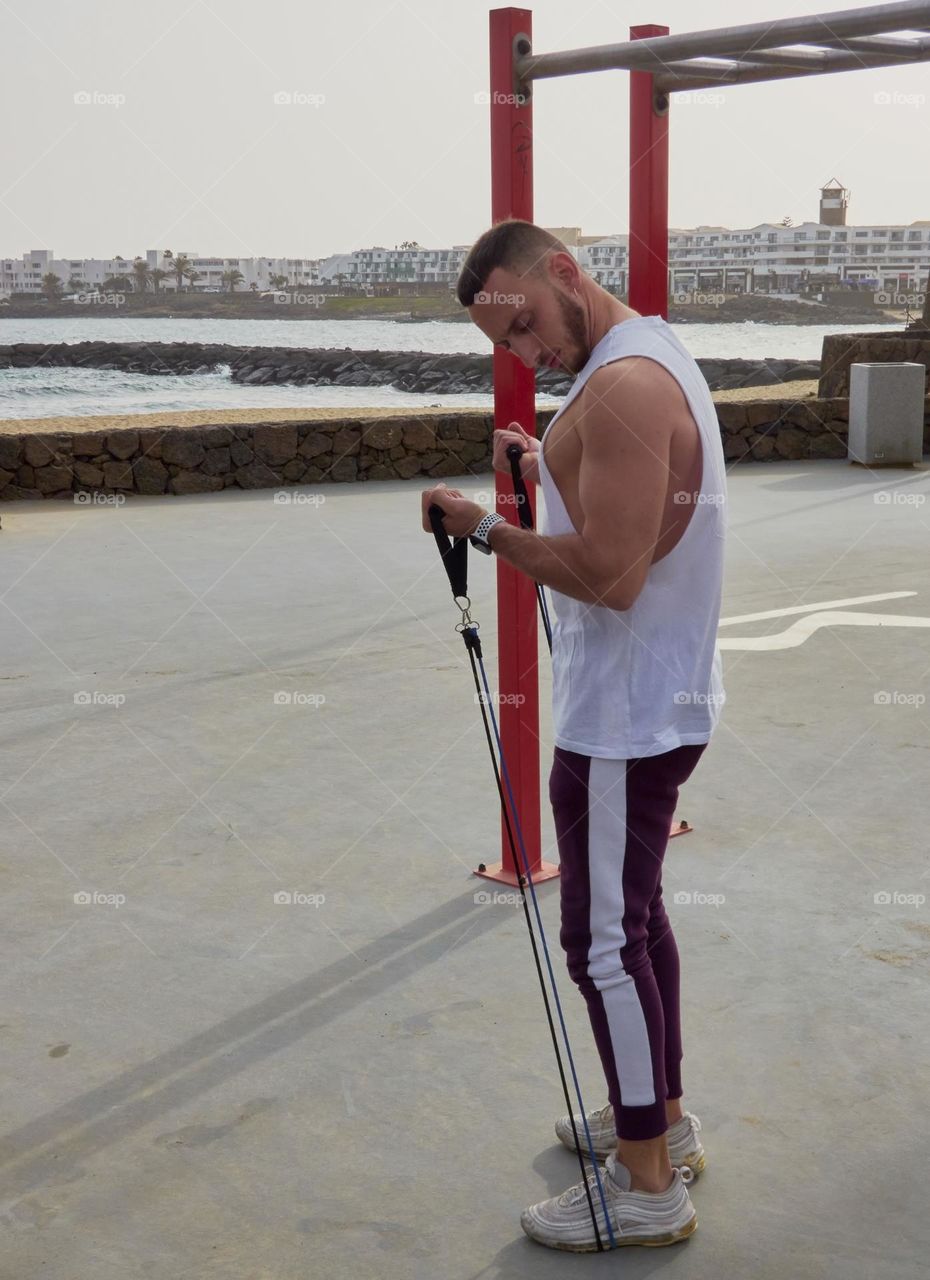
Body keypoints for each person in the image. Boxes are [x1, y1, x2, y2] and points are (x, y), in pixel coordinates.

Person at [420, 219, 726, 1253]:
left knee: (600, 941)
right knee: (636, 921)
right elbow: (623, 506)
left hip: (624, 722)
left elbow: (610, 573)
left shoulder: (627, 389)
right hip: (657, 703)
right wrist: (542, 461)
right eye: (503, 346)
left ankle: (645, 1185)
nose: (524, 354)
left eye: (528, 327)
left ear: (562, 271)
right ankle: (662, 1122)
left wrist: (487, 528)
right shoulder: (645, 354)